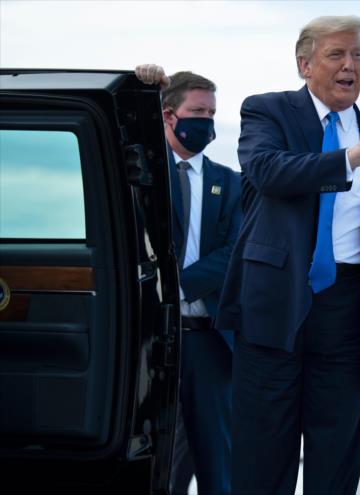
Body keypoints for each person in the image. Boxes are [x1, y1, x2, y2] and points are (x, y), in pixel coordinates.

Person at [215, 15, 360, 494]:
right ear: (304, 64)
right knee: (262, 457)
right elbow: (269, 173)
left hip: (351, 313)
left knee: (335, 463)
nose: (350, 65)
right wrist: (351, 159)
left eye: (358, 56)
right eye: (337, 55)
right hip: (274, 306)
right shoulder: (267, 112)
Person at [135, 65, 241, 495]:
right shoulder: (140, 175)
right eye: (198, 111)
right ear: (168, 115)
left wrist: (176, 286)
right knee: (153, 458)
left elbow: (237, 250)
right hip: (150, 339)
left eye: (212, 113)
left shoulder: (230, 184)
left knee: (218, 461)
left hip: (208, 341)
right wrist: (143, 81)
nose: (207, 122)